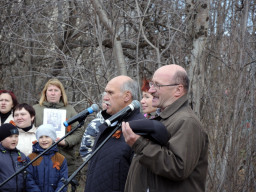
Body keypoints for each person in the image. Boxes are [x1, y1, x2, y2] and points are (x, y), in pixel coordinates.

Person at [122, 64, 209, 192]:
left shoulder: (187, 122)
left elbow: (178, 168)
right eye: (152, 84)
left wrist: (140, 145)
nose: (151, 90)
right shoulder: (164, 119)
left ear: (178, 90)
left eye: (157, 85)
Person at [84, 76, 145, 192]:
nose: (105, 98)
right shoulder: (109, 124)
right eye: (105, 92)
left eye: (110, 93)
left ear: (127, 96)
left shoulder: (139, 128)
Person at [33, 78, 84, 178]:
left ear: (61, 94)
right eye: (50, 90)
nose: (53, 93)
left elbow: (79, 130)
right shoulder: (35, 109)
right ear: (45, 93)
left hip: (64, 157)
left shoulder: (69, 110)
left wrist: (66, 141)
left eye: (56, 90)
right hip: (39, 157)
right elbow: (28, 130)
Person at [26, 124, 68, 192]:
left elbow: (63, 180)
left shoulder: (61, 159)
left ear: (53, 138)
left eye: (47, 136)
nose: (44, 140)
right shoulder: (31, 158)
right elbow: (29, 180)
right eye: (41, 137)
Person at [80, 92, 107, 161]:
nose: (107, 104)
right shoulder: (95, 125)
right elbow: (85, 150)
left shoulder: (123, 122)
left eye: (109, 101)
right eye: (104, 102)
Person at [0, 123, 26, 192]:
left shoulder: (21, 155)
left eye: (16, 136)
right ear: (1, 139)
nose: (14, 139)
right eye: (10, 136)